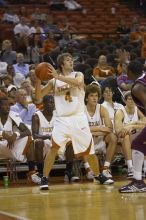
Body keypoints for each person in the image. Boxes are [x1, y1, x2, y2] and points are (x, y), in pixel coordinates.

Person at [35, 53, 94, 190]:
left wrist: (58, 76)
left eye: (71, 59)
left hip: (78, 117)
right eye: (67, 60)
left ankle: (97, 175)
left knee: (88, 150)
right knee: (54, 148)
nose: (71, 61)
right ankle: (44, 178)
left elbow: (79, 83)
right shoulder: (53, 81)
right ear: (61, 64)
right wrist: (38, 80)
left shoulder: (77, 74)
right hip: (62, 119)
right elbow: (38, 98)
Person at [119, 60, 146, 193]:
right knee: (138, 144)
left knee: (137, 144)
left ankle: (138, 182)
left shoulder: (137, 88)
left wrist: (136, 125)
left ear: (129, 72)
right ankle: (138, 181)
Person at [85, 84, 117, 180]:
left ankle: (106, 168)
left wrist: (94, 131)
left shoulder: (102, 108)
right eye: (91, 96)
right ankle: (88, 169)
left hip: (100, 138)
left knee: (112, 136)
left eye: (96, 96)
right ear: (86, 98)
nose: (94, 98)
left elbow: (109, 128)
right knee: (82, 137)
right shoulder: (81, 110)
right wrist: (100, 128)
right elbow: (82, 130)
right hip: (87, 141)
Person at [115, 91, 145, 178]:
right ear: (125, 101)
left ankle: (145, 167)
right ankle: (130, 167)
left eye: (133, 99)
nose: (132, 101)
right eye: (130, 99)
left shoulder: (138, 110)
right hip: (123, 138)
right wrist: (136, 126)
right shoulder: (120, 112)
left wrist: (132, 125)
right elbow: (119, 130)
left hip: (136, 137)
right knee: (126, 136)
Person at [0, 94, 33, 165]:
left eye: (9, 105)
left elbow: (28, 131)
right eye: (5, 105)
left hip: (9, 144)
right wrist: (2, 134)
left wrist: (16, 134)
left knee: (28, 138)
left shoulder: (13, 115)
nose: (8, 107)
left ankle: (31, 171)